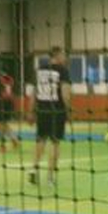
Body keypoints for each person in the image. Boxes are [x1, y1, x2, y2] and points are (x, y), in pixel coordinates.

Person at [29, 47, 71, 186]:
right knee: (55, 143)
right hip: (57, 111)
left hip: (42, 110)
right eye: (63, 55)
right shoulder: (62, 71)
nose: (65, 58)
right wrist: (68, 110)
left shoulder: (40, 70)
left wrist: (31, 110)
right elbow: (65, 93)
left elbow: (34, 92)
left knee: (40, 141)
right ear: (57, 55)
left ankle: (33, 170)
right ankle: (50, 178)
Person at [0, 63, 20, 152]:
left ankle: (3, 146)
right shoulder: (8, 79)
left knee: (0, 125)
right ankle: (14, 140)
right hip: (8, 104)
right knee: (4, 124)